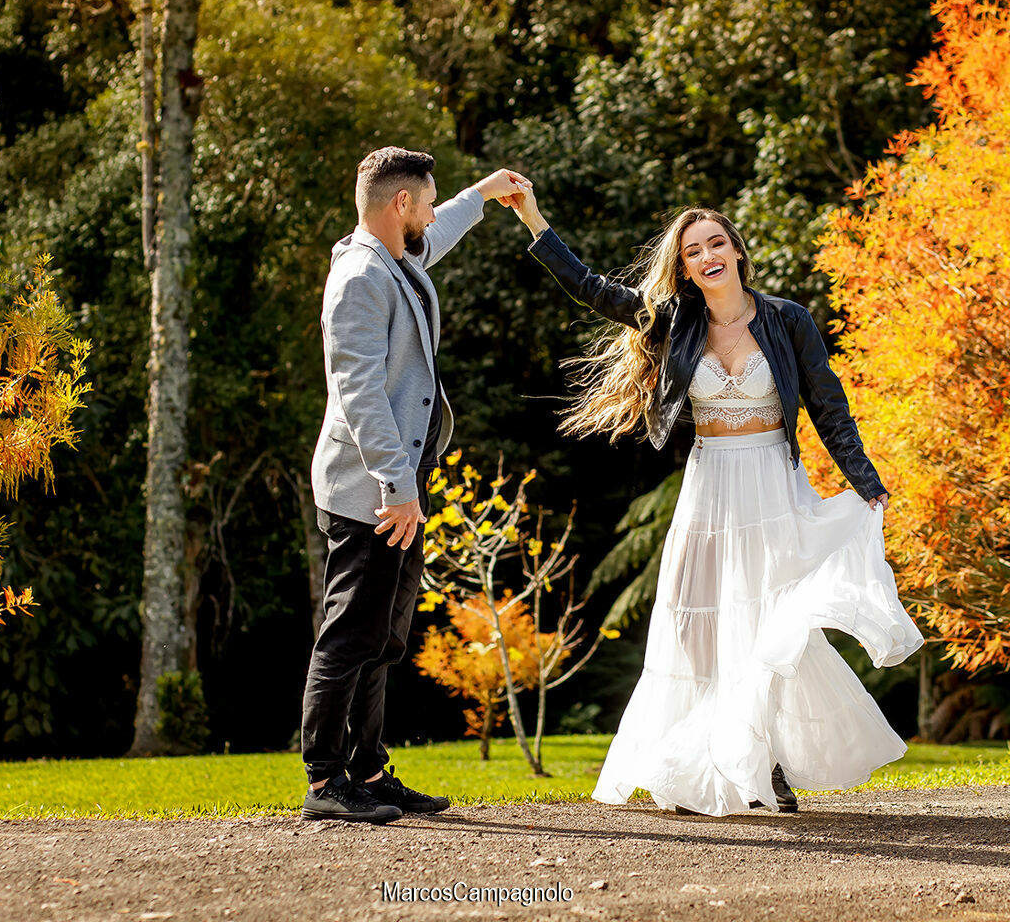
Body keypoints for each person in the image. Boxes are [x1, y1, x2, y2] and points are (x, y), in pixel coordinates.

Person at [507, 188, 922, 815]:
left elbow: (828, 407)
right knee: (698, 630)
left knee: (769, 627)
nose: (707, 257)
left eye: (716, 244)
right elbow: (592, 288)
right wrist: (533, 218)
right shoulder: (674, 321)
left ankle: (768, 764)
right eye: (692, 251)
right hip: (710, 488)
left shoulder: (787, 320)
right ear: (683, 268)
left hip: (773, 486)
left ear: (737, 251)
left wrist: (864, 480)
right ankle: (704, 760)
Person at [301, 146, 528, 823]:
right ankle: (324, 784)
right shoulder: (360, 279)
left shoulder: (395, 260)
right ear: (401, 205)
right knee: (349, 634)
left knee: (384, 637)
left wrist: (481, 196)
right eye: (426, 201)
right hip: (373, 489)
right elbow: (359, 392)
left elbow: (440, 234)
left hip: (400, 485)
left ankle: (366, 771)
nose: (432, 211)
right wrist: (396, 485)